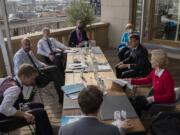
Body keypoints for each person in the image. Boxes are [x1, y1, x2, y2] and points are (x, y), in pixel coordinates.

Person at [0, 64, 53, 135]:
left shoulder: (9, 79)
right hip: (5, 120)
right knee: (41, 113)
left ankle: (40, 132)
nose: (33, 81)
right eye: (32, 79)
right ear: (24, 77)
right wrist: (23, 114)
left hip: (11, 110)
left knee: (39, 105)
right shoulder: (14, 89)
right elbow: (3, 109)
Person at [58, 85, 128, 135]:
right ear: (100, 105)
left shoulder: (64, 130)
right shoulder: (112, 130)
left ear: (79, 105)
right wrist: (122, 129)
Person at [13, 37, 64, 104]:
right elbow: (18, 72)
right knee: (55, 72)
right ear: (21, 45)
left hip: (38, 71)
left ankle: (62, 96)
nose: (28, 46)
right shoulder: (18, 56)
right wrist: (30, 79)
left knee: (55, 70)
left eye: (29, 44)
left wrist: (45, 65)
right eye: (26, 45)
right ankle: (62, 95)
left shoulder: (30, 52)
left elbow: (37, 62)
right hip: (32, 78)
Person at [129, 50, 174, 116]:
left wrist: (153, 98)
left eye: (152, 59)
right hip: (155, 99)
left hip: (161, 103)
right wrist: (131, 81)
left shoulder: (166, 76)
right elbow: (146, 80)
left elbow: (169, 96)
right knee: (137, 99)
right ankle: (136, 116)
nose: (150, 61)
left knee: (138, 104)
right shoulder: (155, 71)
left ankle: (136, 119)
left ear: (157, 62)